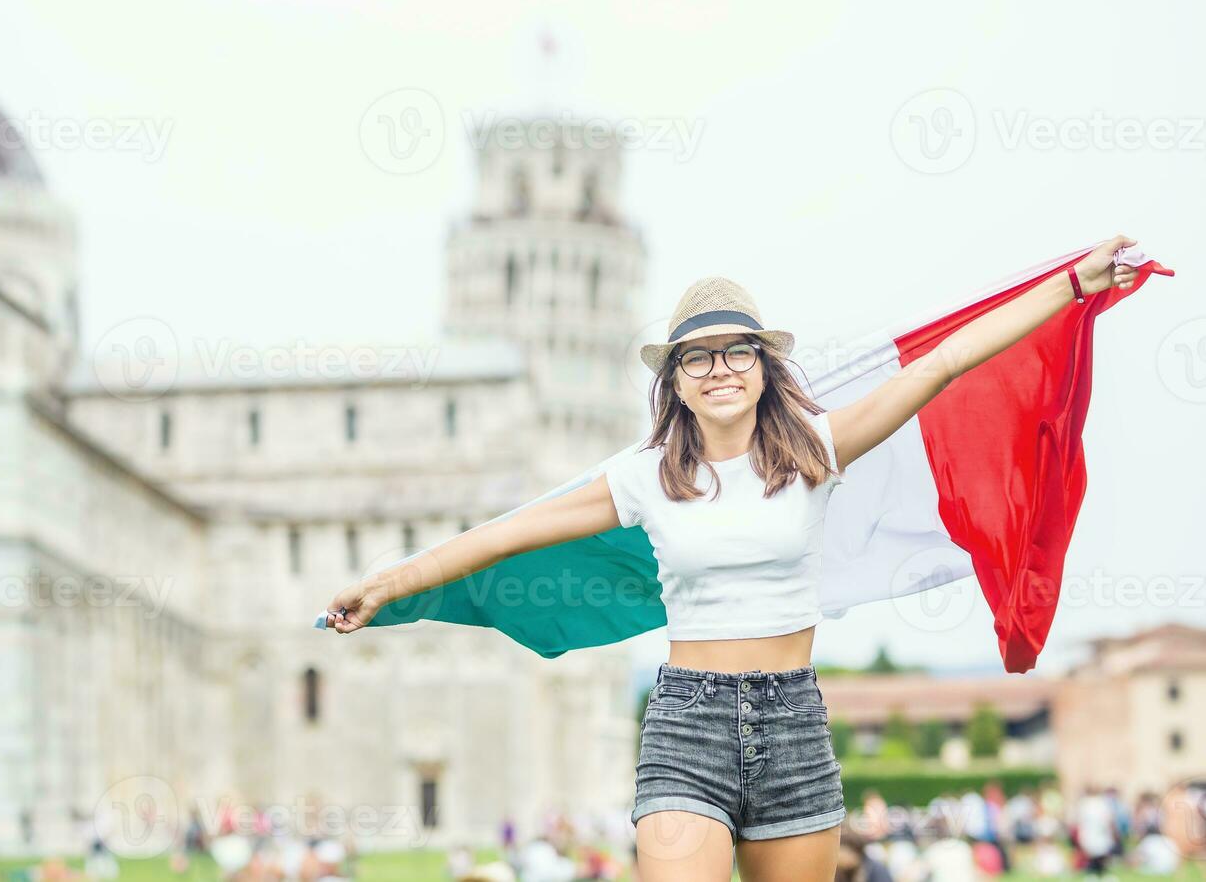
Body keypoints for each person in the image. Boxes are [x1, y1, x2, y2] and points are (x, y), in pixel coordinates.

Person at [321, 236, 1144, 882]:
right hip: (686, 724)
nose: (719, 368)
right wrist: (388, 585)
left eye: (736, 351)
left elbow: (945, 363)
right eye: (698, 357)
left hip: (793, 722)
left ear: (763, 367)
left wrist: (1073, 285)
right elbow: (507, 533)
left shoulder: (818, 451)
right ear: (675, 381)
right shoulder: (641, 478)